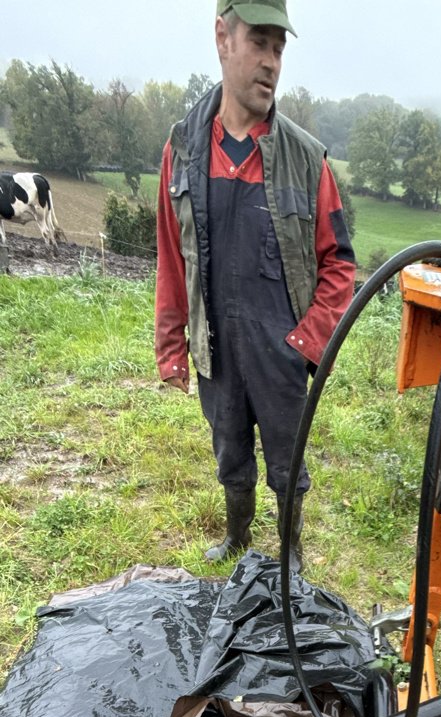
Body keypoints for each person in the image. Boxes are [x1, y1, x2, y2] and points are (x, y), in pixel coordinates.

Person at [155, 0, 356, 571]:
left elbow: (339, 263)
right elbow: (173, 257)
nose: (271, 62)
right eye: (259, 43)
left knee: (287, 460)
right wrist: (173, 349)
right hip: (217, 345)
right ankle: (239, 537)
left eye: (279, 47)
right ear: (223, 38)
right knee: (230, 450)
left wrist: (308, 343)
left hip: (280, 346)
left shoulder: (305, 159)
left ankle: (290, 551)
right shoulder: (183, 150)